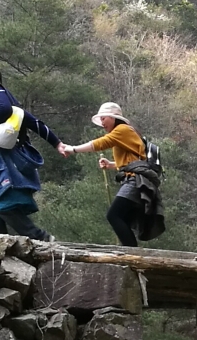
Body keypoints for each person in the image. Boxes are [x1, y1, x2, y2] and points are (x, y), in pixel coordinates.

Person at [0, 64, 68, 242]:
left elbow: (4, 109)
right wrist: (57, 143)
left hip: (4, 163)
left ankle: (41, 238)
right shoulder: (9, 103)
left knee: (1, 206)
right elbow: (34, 122)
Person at [59, 102, 164, 246]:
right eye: (100, 120)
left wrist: (73, 149)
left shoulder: (122, 129)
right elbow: (132, 160)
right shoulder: (125, 132)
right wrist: (111, 164)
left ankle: (132, 255)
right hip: (136, 179)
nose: (102, 123)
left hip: (136, 181)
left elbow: (101, 143)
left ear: (113, 118)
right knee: (122, 219)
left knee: (113, 216)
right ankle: (131, 254)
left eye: (104, 118)